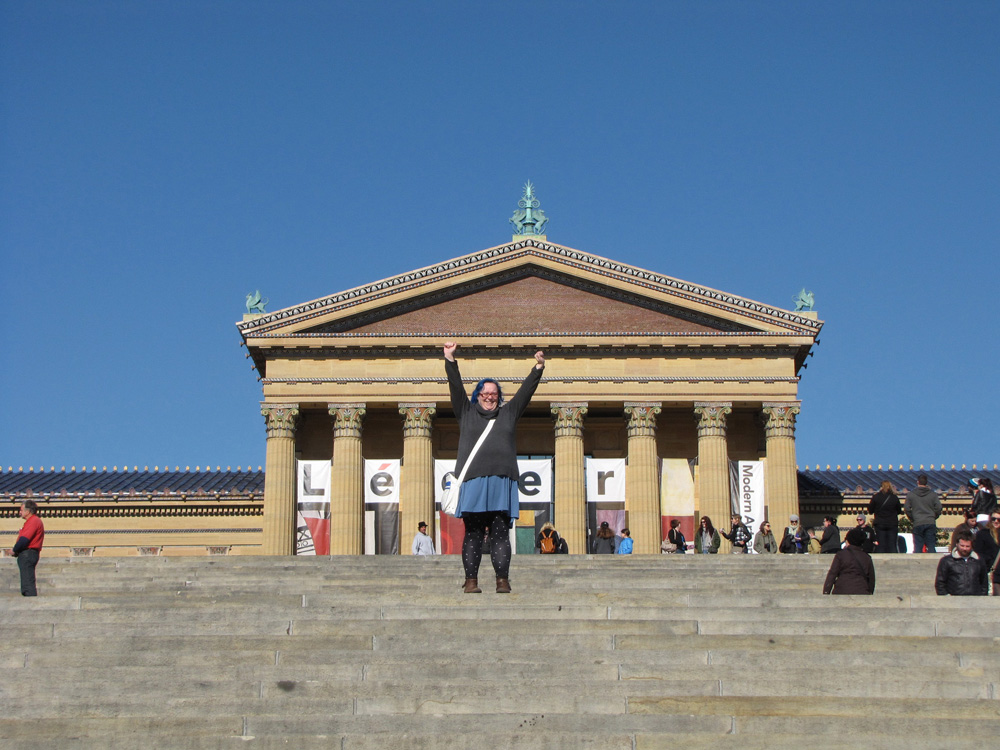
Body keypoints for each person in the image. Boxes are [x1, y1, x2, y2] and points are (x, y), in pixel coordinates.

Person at [444, 341, 544, 594]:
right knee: (474, 533)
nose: (489, 397)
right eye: (485, 393)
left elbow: (525, 393)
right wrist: (450, 359)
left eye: (494, 393)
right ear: (477, 395)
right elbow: (455, 387)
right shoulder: (466, 412)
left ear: (499, 396)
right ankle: (471, 581)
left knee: (500, 532)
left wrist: (538, 368)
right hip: (474, 480)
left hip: (502, 479)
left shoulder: (508, 413)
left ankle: (502, 580)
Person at [822, 527, 876, 595]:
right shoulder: (867, 557)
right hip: (862, 591)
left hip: (842, 590)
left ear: (848, 541)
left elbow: (832, 574)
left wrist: (826, 592)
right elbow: (871, 580)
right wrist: (869, 592)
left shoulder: (841, 555)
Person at [935, 529, 988, 596]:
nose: (964, 549)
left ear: (971, 546)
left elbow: (984, 582)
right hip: (954, 600)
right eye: (962, 546)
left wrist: (982, 597)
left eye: (967, 546)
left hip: (975, 600)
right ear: (957, 544)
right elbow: (940, 583)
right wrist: (946, 597)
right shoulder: (947, 561)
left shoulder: (978, 561)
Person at [11, 500, 44, 596]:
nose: (20, 512)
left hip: (28, 554)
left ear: (28, 511)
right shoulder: (32, 521)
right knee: (26, 582)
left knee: (28, 583)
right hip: (27, 554)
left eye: (21, 510)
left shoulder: (33, 521)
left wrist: (14, 550)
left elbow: (24, 539)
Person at [905, 474, 942, 553]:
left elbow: (906, 509)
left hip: (917, 522)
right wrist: (934, 516)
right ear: (926, 483)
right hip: (930, 522)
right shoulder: (933, 494)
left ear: (917, 482)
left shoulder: (911, 494)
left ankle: (917, 564)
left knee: (918, 547)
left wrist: (913, 518)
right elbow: (939, 508)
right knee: (931, 545)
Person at [868, 480, 902, 553]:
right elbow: (899, 510)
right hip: (892, 523)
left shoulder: (876, 497)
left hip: (880, 523)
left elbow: (870, 510)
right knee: (892, 544)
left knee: (881, 544)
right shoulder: (894, 498)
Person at [972, 512, 1000, 593]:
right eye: (993, 519)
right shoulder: (983, 534)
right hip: (993, 575)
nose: (996, 521)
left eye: (999, 519)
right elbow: (979, 554)